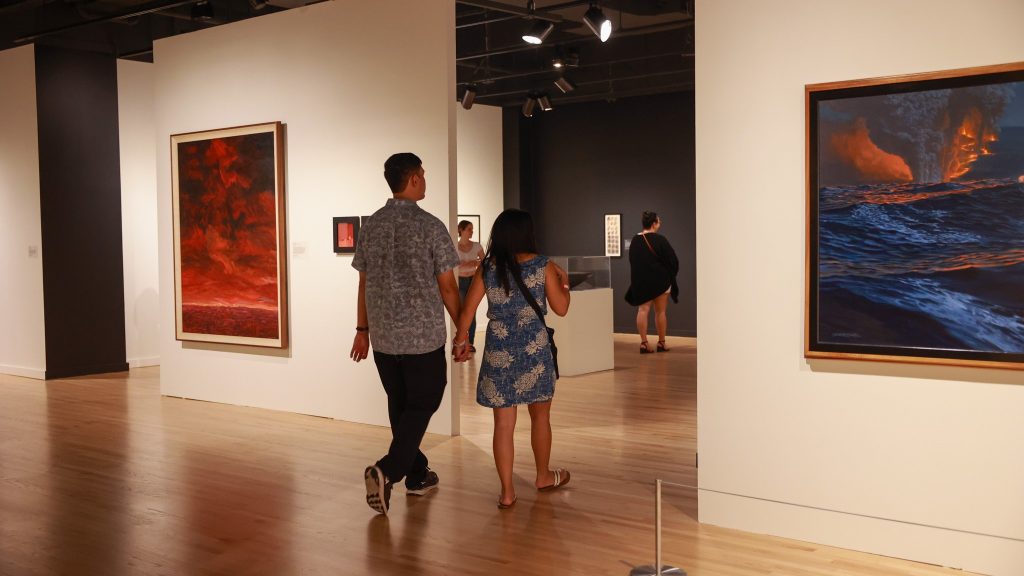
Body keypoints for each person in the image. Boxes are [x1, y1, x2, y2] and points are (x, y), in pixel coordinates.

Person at [350, 152, 462, 516]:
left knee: (401, 407)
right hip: (423, 339)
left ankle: (417, 473)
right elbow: (448, 287)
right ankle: (387, 471)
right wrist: (463, 328)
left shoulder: (372, 226)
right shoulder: (430, 226)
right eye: (424, 175)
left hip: (384, 338)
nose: (425, 180)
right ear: (413, 178)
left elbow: (364, 283)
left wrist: (362, 329)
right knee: (424, 402)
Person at [454, 209, 572, 509]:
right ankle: (543, 476)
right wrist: (565, 283)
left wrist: (460, 342)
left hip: (499, 351)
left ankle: (507, 493)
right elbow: (561, 308)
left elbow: (467, 313)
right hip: (535, 349)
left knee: (503, 426)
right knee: (540, 417)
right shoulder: (542, 266)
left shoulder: (488, 267)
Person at [624, 210, 679, 354]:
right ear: (654, 224)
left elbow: (633, 262)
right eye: (659, 221)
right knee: (660, 312)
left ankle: (644, 343)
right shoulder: (660, 240)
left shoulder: (635, 240)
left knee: (643, 310)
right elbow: (673, 261)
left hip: (642, 282)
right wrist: (668, 274)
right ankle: (661, 343)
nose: (660, 223)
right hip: (661, 282)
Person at [455, 220, 485, 353]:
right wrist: (470, 263)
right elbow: (453, 266)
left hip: (473, 281)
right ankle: (460, 341)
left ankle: (470, 342)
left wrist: (474, 264)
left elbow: (485, 263)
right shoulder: (454, 245)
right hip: (459, 281)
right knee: (460, 312)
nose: (472, 231)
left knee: (471, 312)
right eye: (469, 229)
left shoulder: (477, 246)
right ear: (461, 230)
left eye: (472, 229)